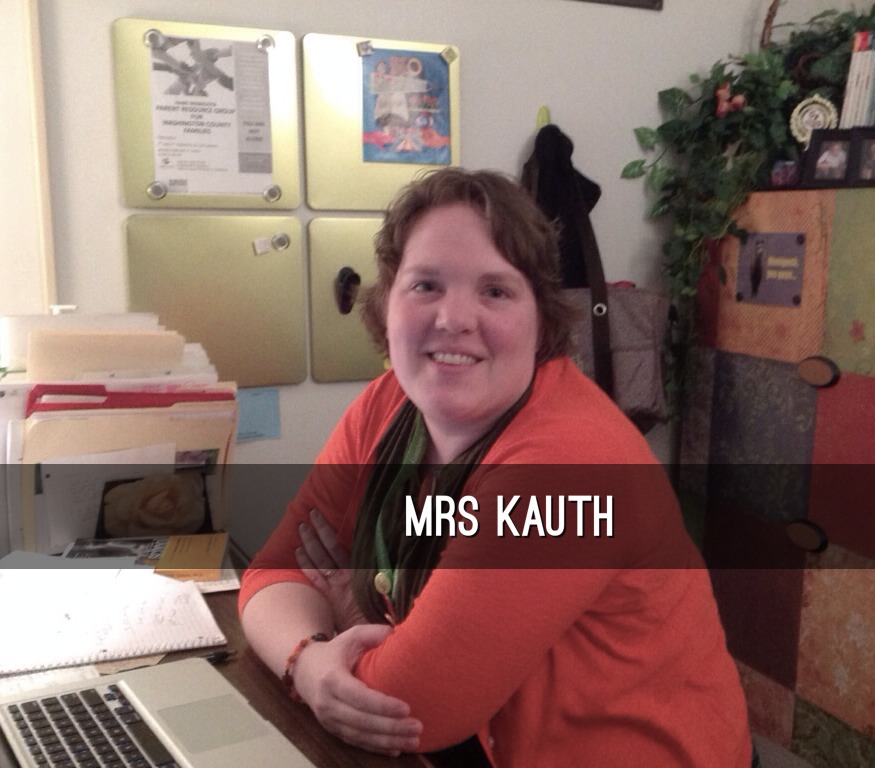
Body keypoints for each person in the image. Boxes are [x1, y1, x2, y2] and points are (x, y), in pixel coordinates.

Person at [238, 168, 753, 768]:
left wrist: (345, 621)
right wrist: (309, 659)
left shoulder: (569, 466)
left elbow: (409, 707)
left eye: (496, 291)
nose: (454, 318)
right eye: (425, 284)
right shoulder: (388, 404)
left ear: (541, 318)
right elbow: (273, 572)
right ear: (387, 302)